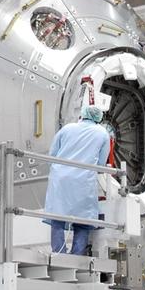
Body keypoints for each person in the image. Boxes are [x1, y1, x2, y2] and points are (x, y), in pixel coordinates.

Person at [43, 103, 112, 255]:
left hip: (61, 178)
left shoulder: (67, 128)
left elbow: (52, 154)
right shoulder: (102, 134)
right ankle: (77, 254)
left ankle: (59, 251)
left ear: (82, 114)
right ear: (98, 118)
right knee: (82, 219)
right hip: (83, 180)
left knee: (58, 216)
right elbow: (101, 163)